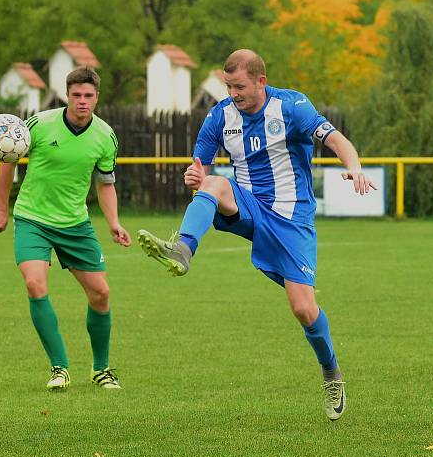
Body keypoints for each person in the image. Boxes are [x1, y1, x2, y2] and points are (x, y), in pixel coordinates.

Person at [138, 49, 376, 421]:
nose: (233, 93)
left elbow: (335, 139)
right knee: (215, 184)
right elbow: (199, 169)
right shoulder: (220, 116)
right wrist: (194, 177)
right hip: (249, 204)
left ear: (261, 81)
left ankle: (331, 373)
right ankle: (182, 250)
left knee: (303, 309)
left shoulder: (292, 106)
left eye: (240, 86)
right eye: (228, 86)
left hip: (291, 218)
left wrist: (355, 167)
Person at [0, 66, 131, 391]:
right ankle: (59, 368)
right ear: (67, 95)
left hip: (75, 224)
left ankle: (101, 369)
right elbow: (7, 160)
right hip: (32, 219)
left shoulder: (105, 136)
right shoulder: (39, 124)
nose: (82, 101)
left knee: (101, 293)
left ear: (97, 97)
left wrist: (113, 223)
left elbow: (105, 184)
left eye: (88, 96)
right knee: (35, 284)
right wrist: (1, 207)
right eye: (77, 95)